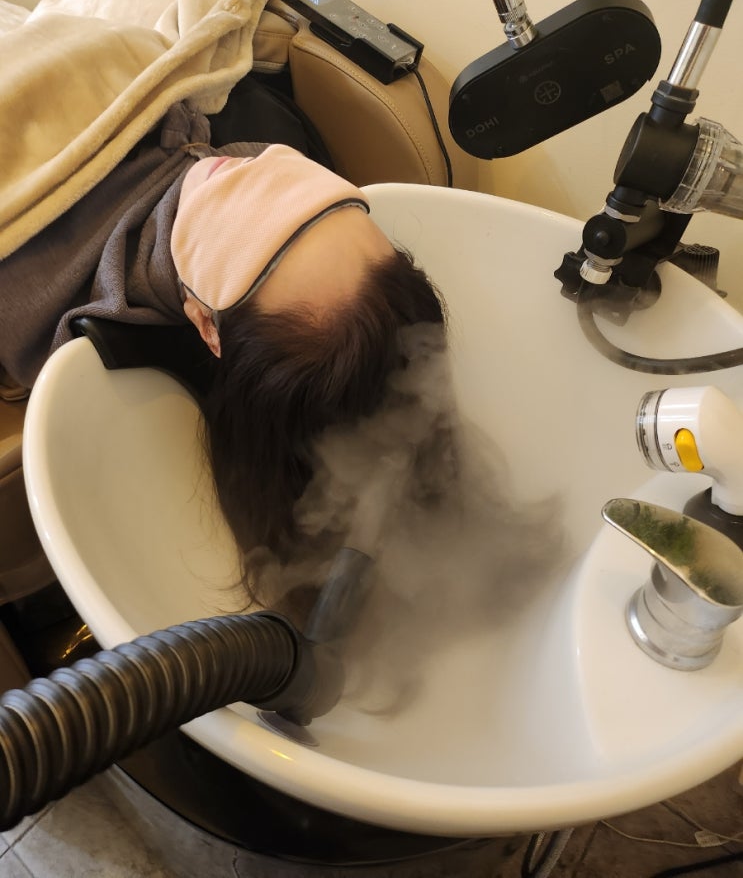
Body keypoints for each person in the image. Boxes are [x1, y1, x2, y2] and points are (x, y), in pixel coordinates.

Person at [0, 108, 447, 609]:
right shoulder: (246, 161)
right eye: (326, 207)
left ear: (207, 327)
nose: (268, 163)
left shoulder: (30, 281)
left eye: (257, 237)